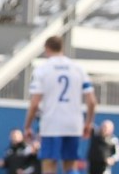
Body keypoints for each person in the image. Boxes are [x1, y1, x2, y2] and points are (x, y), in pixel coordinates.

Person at [24, 35, 97, 174]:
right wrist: (88, 123)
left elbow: (34, 104)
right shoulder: (78, 68)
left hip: (51, 124)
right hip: (73, 124)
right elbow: (92, 102)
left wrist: (27, 126)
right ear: (62, 48)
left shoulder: (42, 69)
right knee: (71, 164)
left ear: (46, 49)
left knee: (49, 163)